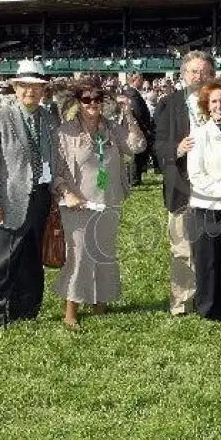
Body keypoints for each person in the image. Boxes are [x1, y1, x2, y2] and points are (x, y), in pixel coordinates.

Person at [53, 80, 146, 330]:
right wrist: (66, 193)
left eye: (97, 99)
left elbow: (138, 146)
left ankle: (100, 303)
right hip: (78, 204)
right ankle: (71, 309)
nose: (92, 104)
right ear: (78, 103)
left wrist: (128, 113)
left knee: (104, 254)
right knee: (79, 255)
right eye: (86, 99)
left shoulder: (112, 129)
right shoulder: (65, 133)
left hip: (109, 201)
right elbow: (55, 171)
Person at [0, 59, 59, 326]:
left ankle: (27, 312)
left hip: (39, 199)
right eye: (23, 86)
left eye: (35, 87)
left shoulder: (48, 118)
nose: (29, 92)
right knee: (3, 264)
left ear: (44, 90)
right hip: (5, 202)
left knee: (32, 262)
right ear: (15, 88)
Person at [153, 50, 215, 315]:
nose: (198, 76)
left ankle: (209, 297)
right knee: (181, 248)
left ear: (211, 75)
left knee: (212, 244)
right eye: (193, 71)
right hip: (182, 186)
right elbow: (157, 144)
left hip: (214, 187)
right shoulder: (169, 103)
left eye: (203, 72)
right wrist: (176, 149)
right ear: (183, 74)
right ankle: (181, 301)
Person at [187, 81, 221, 320]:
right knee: (207, 260)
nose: (219, 106)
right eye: (214, 102)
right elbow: (196, 175)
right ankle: (208, 308)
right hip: (207, 205)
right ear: (207, 107)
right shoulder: (199, 134)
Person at [124, 71, 155, 185]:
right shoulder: (132, 94)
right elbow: (137, 113)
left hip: (139, 128)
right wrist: (145, 129)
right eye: (140, 80)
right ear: (134, 80)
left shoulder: (132, 92)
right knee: (137, 154)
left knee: (139, 154)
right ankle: (134, 179)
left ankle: (135, 177)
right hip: (139, 129)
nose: (142, 82)